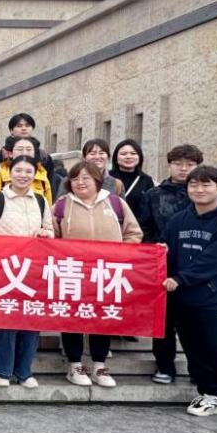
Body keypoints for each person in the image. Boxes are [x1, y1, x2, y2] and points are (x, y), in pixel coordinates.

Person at [53, 161, 143, 388]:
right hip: (73, 274)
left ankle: (99, 367)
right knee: (72, 318)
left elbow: (133, 233)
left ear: (97, 180)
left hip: (106, 274)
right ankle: (75, 366)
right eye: (75, 179)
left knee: (103, 319)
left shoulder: (115, 203)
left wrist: (122, 254)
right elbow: (52, 237)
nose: (80, 183)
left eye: (86, 178)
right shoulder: (62, 205)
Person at [0, 155, 55, 389]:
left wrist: (46, 234)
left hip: (34, 271)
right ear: (9, 173)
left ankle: (24, 371)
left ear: (35, 174)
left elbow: (50, 232)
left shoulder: (40, 200)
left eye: (28, 171)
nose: (23, 175)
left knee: (32, 321)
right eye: (18, 170)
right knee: (7, 321)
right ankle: (0, 369)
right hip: (5, 271)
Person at [163, 166, 217, 421]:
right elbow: (168, 252)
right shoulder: (178, 220)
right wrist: (159, 253)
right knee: (195, 350)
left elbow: (215, 258)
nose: (199, 190)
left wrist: (181, 278)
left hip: (216, 297)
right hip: (183, 298)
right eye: (194, 185)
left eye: (206, 184)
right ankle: (209, 395)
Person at [140, 144, 204, 383]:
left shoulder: (208, 196)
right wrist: (153, 247)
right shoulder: (154, 195)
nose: (183, 169)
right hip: (162, 266)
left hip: (197, 268)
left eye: (190, 164)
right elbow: (144, 227)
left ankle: (199, 370)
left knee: (196, 322)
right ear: (169, 165)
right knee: (163, 321)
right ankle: (165, 366)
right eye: (178, 164)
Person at [0, 113, 56, 182]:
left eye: (27, 126)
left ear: (32, 129)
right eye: (19, 126)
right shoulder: (1, 155)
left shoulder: (43, 156)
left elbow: (50, 183)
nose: (24, 128)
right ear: (11, 131)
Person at [0, 137, 53, 204]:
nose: (24, 152)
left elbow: (47, 207)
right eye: (20, 149)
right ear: (11, 153)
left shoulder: (43, 180)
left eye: (29, 149)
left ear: (34, 154)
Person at [110, 139, 155, 225]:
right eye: (123, 154)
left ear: (140, 157)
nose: (128, 157)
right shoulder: (107, 178)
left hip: (136, 227)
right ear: (116, 158)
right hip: (111, 225)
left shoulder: (146, 180)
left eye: (133, 153)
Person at [58, 139, 124, 197]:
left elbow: (120, 207)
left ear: (108, 157)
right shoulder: (69, 181)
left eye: (101, 153)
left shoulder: (116, 184)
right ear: (84, 157)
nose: (97, 157)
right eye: (92, 154)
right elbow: (60, 205)